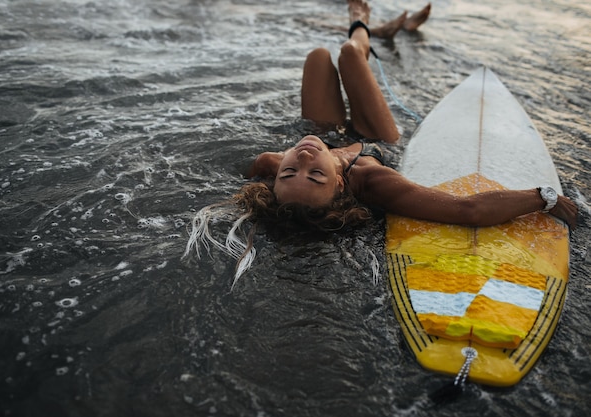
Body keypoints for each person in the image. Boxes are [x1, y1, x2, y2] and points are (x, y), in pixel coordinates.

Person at [184, 0, 578, 286]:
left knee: (318, 57)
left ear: (275, 176)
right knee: (349, 57)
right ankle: (362, 21)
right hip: (372, 138)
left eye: (291, 170)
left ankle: (381, 32)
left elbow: (277, 173)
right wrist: (543, 197)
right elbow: (467, 210)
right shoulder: (372, 182)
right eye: (315, 174)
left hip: (330, 130)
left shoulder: (269, 163)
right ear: (339, 183)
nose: (302, 157)